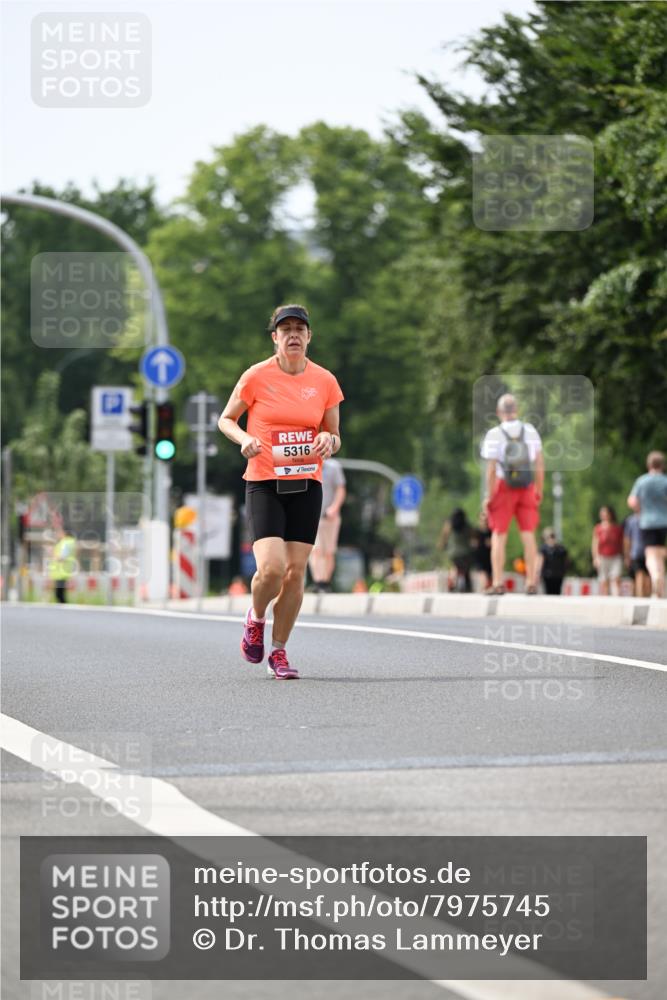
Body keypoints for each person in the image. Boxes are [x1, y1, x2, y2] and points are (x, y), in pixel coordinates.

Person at [218, 303, 344, 679]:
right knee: (270, 570)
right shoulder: (257, 376)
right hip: (264, 481)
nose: (293, 335)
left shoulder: (325, 381)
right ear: (275, 338)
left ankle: (279, 652)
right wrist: (243, 439)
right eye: (285, 329)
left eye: (299, 330)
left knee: (294, 572)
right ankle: (256, 619)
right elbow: (226, 419)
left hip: (306, 482)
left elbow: (334, 435)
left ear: (309, 337)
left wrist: (327, 439)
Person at [480, 393, 544, 595]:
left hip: (503, 488)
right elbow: (540, 465)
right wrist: (538, 490)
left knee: (499, 535)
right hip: (526, 487)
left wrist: (489, 496)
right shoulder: (530, 431)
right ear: (517, 410)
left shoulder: (494, 434)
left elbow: (491, 470)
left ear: (499, 412)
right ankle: (531, 581)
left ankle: (498, 582)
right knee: (528, 534)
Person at [627, 450, 667, 598]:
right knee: (659, 552)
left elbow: (632, 501)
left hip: (647, 522)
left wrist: (640, 511)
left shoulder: (642, 481)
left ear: (649, 464)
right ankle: (660, 582)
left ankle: (656, 576)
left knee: (650, 554)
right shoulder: (665, 481)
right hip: (664, 522)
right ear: (662, 465)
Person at [308, 457, 346, 592]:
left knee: (328, 552)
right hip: (312, 515)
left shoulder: (334, 467)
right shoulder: (307, 465)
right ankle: (318, 581)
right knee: (315, 550)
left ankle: (325, 582)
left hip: (329, 517)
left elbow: (341, 489)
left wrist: (334, 508)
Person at [437, 508, 473, 592]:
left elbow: (444, 537)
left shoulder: (449, 524)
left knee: (455, 567)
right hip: (466, 553)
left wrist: (442, 546)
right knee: (466, 569)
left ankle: (452, 583)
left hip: (453, 553)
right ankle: (468, 586)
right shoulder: (467, 525)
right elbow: (473, 536)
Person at [591, 505, 623, 596]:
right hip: (602, 556)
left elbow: (622, 543)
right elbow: (595, 544)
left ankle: (616, 597)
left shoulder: (617, 528)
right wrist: (595, 557)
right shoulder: (598, 528)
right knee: (603, 580)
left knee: (616, 578)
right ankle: (605, 598)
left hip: (615, 556)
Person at [48, 524, 77, 603]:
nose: (57, 533)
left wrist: (52, 554)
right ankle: (64, 611)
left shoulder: (66, 543)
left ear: (64, 532)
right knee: (60, 595)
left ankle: (65, 612)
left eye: (59, 531)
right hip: (62, 572)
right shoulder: (68, 542)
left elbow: (62, 557)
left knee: (59, 595)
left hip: (61, 573)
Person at [623, 512, 650, 598]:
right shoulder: (631, 521)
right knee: (639, 575)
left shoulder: (650, 519)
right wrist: (627, 555)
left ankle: (645, 597)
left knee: (647, 579)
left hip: (649, 552)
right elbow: (627, 539)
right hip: (636, 552)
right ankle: (640, 598)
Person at [537, 527, 568, 595]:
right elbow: (540, 561)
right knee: (550, 593)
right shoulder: (544, 549)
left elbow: (565, 561)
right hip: (548, 576)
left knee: (555, 593)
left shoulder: (561, 549)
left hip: (558, 575)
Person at [470, 510, 492, 591]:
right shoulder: (476, 531)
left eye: (486, 519)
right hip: (479, 556)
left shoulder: (491, 531)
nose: (484, 521)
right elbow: (473, 544)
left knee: (489, 575)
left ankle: (488, 587)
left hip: (489, 557)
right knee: (483, 574)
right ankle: (484, 587)